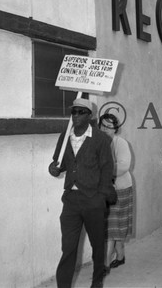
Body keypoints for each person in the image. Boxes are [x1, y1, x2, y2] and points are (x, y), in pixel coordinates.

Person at [48, 98, 116, 288]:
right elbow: (58, 164)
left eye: (80, 112)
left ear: (89, 116)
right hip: (71, 201)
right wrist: (53, 168)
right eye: (73, 112)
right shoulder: (65, 137)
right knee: (68, 248)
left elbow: (107, 170)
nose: (76, 116)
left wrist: (100, 197)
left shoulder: (101, 139)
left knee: (97, 247)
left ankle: (96, 283)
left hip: (93, 200)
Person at [98, 113, 133, 276]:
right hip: (101, 191)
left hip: (119, 189)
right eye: (103, 125)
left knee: (111, 229)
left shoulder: (121, 143)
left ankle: (103, 266)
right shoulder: (94, 143)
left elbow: (124, 165)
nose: (105, 129)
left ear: (115, 129)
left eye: (109, 126)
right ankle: (120, 255)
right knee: (112, 227)